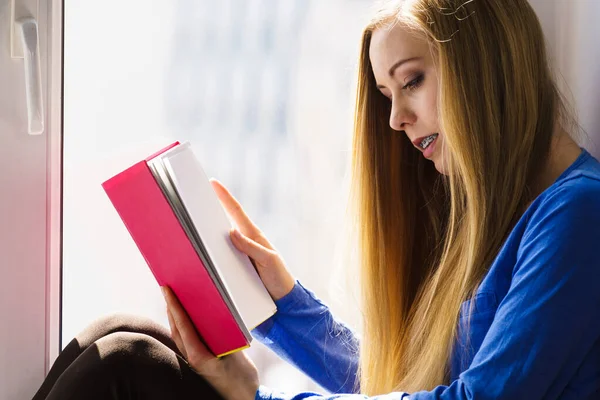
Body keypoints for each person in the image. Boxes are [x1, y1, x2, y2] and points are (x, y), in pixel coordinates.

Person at [33, 0, 600, 399]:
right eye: (386, 94)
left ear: (486, 67)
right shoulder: (497, 209)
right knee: (122, 331)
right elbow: (393, 381)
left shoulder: (578, 215)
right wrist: (281, 302)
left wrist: (259, 399)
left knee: (127, 364)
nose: (397, 120)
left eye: (413, 81)